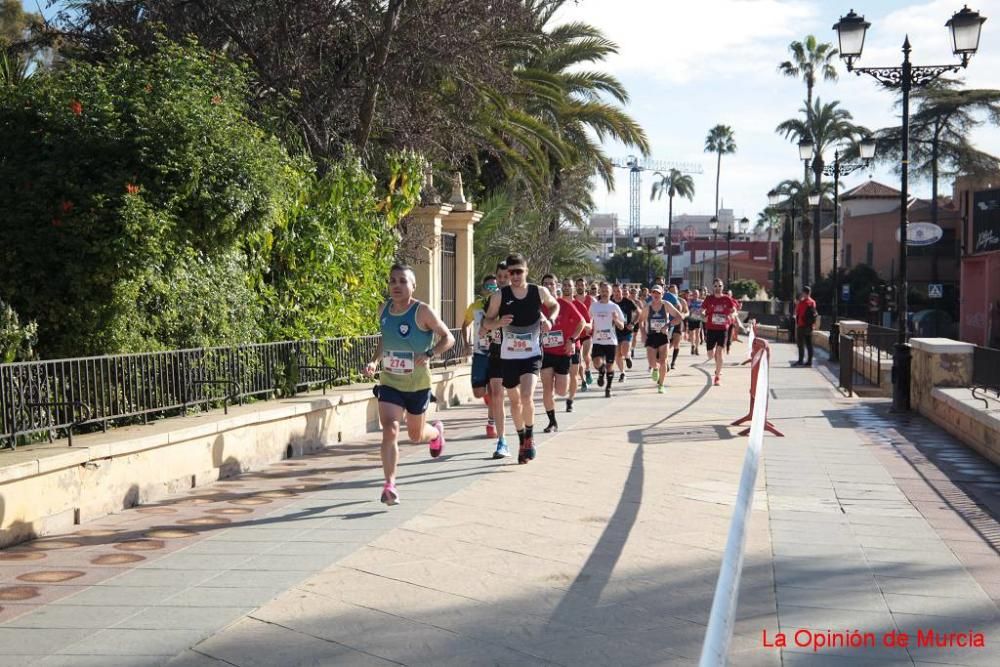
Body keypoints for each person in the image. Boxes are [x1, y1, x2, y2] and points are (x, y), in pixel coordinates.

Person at [365, 264, 455, 506]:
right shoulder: (383, 309)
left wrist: (429, 353)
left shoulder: (422, 311)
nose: (396, 285)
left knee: (416, 436)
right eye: (392, 280)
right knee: (390, 430)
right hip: (390, 383)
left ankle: (436, 432)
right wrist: (374, 362)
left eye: (402, 281)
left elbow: (449, 338)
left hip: (417, 385)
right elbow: (386, 339)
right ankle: (389, 485)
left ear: (413, 286)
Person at [484, 253, 559, 464]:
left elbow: (554, 305)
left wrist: (551, 320)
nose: (515, 276)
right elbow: (486, 323)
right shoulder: (499, 296)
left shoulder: (538, 291)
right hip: (509, 357)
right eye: (511, 272)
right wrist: (498, 323)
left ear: (526, 271)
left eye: (519, 272)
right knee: (515, 401)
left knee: (526, 396)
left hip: (532, 354)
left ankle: (530, 437)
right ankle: (521, 440)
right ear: (507, 274)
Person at [540, 274, 586, 432]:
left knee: (561, 390)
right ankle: (552, 421)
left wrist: (572, 340)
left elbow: (581, 322)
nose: (548, 286)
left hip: (563, 353)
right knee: (547, 388)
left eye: (551, 284)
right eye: (545, 284)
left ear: (556, 286)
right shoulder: (537, 307)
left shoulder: (563, 304)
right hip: (545, 352)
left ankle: (562, 398)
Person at [461, 275, 500, 438]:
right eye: (489, 287)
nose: (492, 289)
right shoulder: (475, 306)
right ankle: (487, 397)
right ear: (483, 288)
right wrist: (466, 343)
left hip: (496, 353)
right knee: (478, 392)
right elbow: (465, 325)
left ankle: (491, 424)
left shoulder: (501, 305)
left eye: (495, 287)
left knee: (493, 390)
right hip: (479, 353)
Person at [485, 262, 511, 457]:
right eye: (499, 276)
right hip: (496, 351)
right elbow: (485, 326)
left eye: (506, 276)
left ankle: (524, 433)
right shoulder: (492, 299)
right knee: (496, 395)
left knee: (518, 399)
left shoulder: (521, 297)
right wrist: (494, 325)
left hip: (517, 354)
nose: (502, 280)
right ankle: (502, 441)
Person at [702, 279, 744, 386]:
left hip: (722, 329)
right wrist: (703, 315)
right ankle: (716, 363)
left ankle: (717, 376)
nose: (717, 288)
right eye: (715, 286)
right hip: (711, 328)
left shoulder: (727, 299)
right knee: (710, 355)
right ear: (713, 287)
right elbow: (702, 309)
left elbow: (734, 310)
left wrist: (732, 315)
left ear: (722, 287)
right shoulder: (709, 298)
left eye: (719, 286)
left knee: (719, 352)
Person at [589, 282, 626, 398]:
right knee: (596, 363)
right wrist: (589, 327)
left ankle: (608, 388)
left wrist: (616, 320)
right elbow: (589, 320)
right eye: (603, 291)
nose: (605, 293)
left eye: (607, 291)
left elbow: (622, 326)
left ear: (611, 293)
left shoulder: (614, 307)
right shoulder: (594, 306)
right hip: (597, 340)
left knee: (610, 365)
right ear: (600, 292)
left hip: (610, 341)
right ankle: (601, 371)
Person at [612, 283, 638, 382]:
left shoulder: (628, 302)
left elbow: (638, 312)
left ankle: (627, 356)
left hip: (626, 330)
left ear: (621, 291)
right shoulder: (610, 303)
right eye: (614, 291)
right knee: (617, 355)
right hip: (615, 332)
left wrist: (633, 323)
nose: (616, 293)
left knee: (624, 351)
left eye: (618, 291)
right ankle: (623, 373)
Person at [573, 277, 595, 390]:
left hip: (587, 331)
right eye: (578, 285)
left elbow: (595, 313)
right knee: (578, 358)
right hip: (576, 333)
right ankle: (583, 381)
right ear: (575, 286)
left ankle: (588, 369)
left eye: (582, 284)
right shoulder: (572, 299)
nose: (580, 286)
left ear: (585, 286)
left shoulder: (591, 300)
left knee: (586, 355)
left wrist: (591, 323)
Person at [794, 286, 818, 367]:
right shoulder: (813, 302)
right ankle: (809, 362)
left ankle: (801, 360)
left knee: (801, 344)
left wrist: (798, 303)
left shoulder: (802, 302)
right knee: (809, 344)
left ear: (804, 293)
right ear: (810, 292)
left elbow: (797, 312)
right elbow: (814, 314)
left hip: (801, 325)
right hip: (809, 326)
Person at [667, 284, 688, 370]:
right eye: (671, 291)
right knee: (668, 344)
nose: (673, 293)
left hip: (678, 323)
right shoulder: (667, 301)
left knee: (676, 343)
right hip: (668, 323)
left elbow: (687, 312)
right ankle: (665, 360)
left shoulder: (682, 301)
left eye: (674, 291)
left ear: (677, 291)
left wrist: (683, 315)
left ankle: (673, 362)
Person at [687, 288, 704, 355]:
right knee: (692, 334)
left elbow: (704, 309)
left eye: (696, 294)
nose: (695, 295)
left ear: (698, 294)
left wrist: (701, 312)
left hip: (698, 319)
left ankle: (697, 348)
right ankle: (692, 345)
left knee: (697, 334)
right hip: (691, 319)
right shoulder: (690, 301)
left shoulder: (701, 301)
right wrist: (691, 310)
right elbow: (687, 309)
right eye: (694, 294)